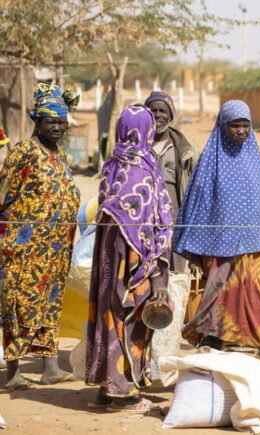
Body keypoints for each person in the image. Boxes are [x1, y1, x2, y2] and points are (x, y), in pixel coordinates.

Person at [173, 100, 260, 365]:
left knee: (255, 288)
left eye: (245, 126)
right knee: (218, 292)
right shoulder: (210, 160)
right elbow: (198, 199)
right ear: (223, 126)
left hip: (253, 242)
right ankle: (215, 337)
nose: (241, 131)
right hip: (218, 242)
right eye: (235, 126)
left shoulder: (254, 156)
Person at [85, 104, 173, 412]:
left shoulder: (111, 166)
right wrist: (156, 275)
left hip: (108, 256)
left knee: (108, 317)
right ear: (147, 130)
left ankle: (105, 387)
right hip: (134, 257)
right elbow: (158, 223)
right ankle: (123, 393)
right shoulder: (145, 169)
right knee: (130, 319)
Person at [0, 83, 80, 390]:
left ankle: (50, 368)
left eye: (62, 122)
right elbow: (3, 194)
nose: (58, 127)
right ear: (38, 122)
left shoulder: (59, 154)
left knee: (50, 303)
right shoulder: (23, 151)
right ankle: (13, 372)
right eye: (51, 121)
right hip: (23, 250)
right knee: (18, 305)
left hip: (55, 249)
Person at [144, 90, 199, 272]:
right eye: (153, 110)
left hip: (174, 221)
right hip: (143, 220)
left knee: (174, 273)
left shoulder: (185, 149)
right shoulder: (137, 145)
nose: (158, 115)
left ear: (171, 115)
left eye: (163, 111)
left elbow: (194, 189)